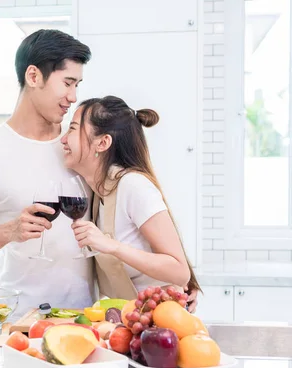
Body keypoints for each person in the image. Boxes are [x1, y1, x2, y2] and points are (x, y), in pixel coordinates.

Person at [0, 29, 94, 311]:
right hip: (19, 322)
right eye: (67, 83)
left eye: (78, 85)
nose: (73, 97)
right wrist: (9, 231)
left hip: (87, 319)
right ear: (33, 76)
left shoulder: (80, 144)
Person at [60, 95, 202, 308]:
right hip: (133, 320)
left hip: (161, 321)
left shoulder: (132, 185)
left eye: (72, 129)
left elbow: (180, 272)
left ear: (103, 142)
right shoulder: (99, 191)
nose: (63, 139)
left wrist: (112, 247)